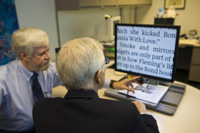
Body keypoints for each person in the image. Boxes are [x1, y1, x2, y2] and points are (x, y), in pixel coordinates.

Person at [0, 27, 138, 132]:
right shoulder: (3, 80)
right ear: (24, 56)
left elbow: (82, 76)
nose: (48, 57)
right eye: (42, 54)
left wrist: (114, 83)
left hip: (45, 126)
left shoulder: (47, 69)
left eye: (48, 50)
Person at [33, 37, 159, 133]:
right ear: (99, 76)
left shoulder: (40, 108)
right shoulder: (126, 113)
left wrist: (114, 84)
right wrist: (143, 114)